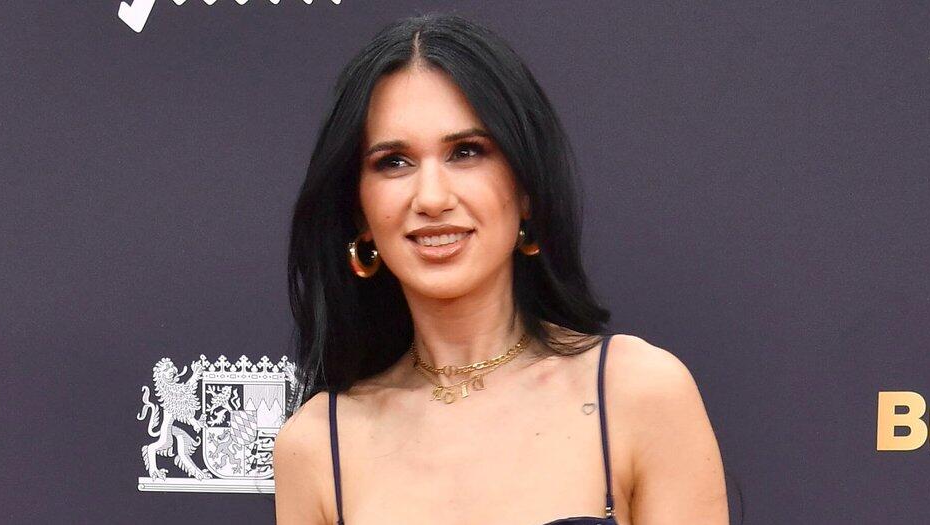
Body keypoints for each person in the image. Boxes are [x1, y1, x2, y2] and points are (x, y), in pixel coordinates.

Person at [274, 12, 728, 525]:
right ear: (359, 212)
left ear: (526, 188)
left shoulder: (637, 393)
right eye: (394, 162)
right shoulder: (317, 445)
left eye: (465, 152)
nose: (431, 197)